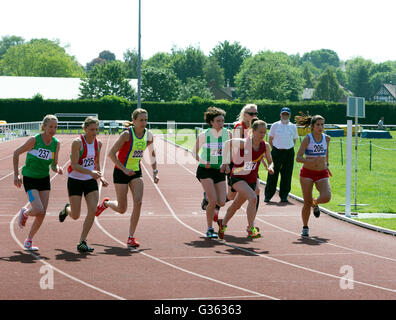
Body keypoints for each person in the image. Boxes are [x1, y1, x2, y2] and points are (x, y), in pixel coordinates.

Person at [95, 108, 159, 248]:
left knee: (139, 202)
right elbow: (111, 154)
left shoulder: (148, 135)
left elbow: (152, 154)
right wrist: (124, 169)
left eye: (146, 120)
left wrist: (155, 171)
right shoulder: (126, 135)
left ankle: (131, 237)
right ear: (134, 121)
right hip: (121, 172)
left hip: (136, 172)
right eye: (141, 120)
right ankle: (105, 204)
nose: (144, 122)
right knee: (122, 208)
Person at [217, 119, 274, 240]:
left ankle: (223, 223)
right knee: (253, 198)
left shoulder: (265, 146)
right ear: (253, 131)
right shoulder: (244, 142)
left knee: (236, 205)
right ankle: (251, 229)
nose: (263, 135)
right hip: (238, 176)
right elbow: (227, 143)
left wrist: (270, 167)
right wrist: (225, 162)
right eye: (260, 132)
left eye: (265, 132)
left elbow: (270, 161)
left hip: (251, 179)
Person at [58, 117, 109, 253]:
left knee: (92, 210)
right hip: (75, 180)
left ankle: (82, 242)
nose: (94, 132)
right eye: (92, 129)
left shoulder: (98, 144)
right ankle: (66, 209)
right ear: (85, 129)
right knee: (75, 215)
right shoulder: (77, 143)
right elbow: (74, 165)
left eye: (97, 129)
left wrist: (101, 176)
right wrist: (90, 172)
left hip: (90, 180)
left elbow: (97, 162)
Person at [13, 114, 63, 251]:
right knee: (38, 209)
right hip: (30, 178)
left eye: (55, 127)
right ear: (44, 126)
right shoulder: (34, 140)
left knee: (42, 212)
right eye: (50, 127)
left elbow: (54, 164)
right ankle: (25, 213)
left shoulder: (56, 143)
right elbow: (16, 153)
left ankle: (29, 240)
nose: (53, 129)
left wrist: (57, 168)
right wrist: (16, 176)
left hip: (44, 179)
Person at [201, 104, 261, 213]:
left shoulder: (257, 127)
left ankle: (252, 224)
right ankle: (210, 199)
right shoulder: (239, 127)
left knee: (256, 190)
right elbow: (234, 147)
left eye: (256, 113)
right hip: (238, 164)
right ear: (244, 114)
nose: (254, 116)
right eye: (251, 114)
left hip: (251, 164)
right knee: (232, 196)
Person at [193, 107, 232, 239]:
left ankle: (206, 199)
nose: (221, 123)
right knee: (213, 200)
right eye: (218, 121)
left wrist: (226, 164)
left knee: (221, 202)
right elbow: (194, 153)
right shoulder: (204, 135)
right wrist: (205, 161)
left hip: (219, 170)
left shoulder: (229, 134)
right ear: (211, 122)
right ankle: (210, 229)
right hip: (205, 170)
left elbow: (229, 152)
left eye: (222, 121)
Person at [295, 113, 332, 237]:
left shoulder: (327, 138)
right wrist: (311, 161)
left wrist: (327, 165)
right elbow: (298, 158)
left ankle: (315, 203)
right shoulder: (308, 139)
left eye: (322, 125)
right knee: (306, 202)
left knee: (326, 197)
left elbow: (326, 154)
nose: (320, 127)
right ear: (312, 126)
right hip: (307, 173)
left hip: (322, 172)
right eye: (318, 125)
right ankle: (305, 227)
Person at [264, 107, 298, 203]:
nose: (285, 116)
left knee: (287, 175)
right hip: (276, 151)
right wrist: (275, 149)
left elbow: (294, 140)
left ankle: (284, 196)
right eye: (283, 114)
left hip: (289, 152)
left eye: (287, 114)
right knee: (272, 174)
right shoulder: (275, 125)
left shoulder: (293, 126)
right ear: (280, 115)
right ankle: (268, 195)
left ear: (290, 115)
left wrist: (288, 147)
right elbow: (270, 139)